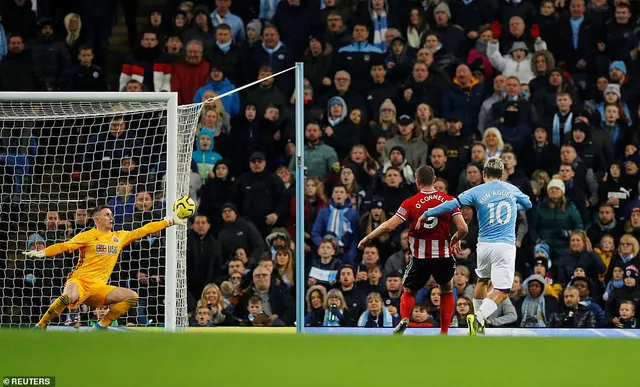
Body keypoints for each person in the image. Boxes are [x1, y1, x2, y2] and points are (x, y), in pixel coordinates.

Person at [417, 157, 532, 335]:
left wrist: (427, 213)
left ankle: (480, 328)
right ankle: (478, 317)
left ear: (484, 174)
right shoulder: (511, 188)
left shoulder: (476, 190)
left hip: (484, 245)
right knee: (502, 290)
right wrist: (512, 203)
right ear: (501, 175)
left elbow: (451, 204)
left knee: (483, 280)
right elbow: (528, 204)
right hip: (504, 246)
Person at [22, 204, 186, 329]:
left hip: (99, 288)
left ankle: (101, 326)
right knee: (67, 298)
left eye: (112, 215)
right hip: (79, 281)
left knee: (132, 297)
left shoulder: (119, 237)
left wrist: (170, 221)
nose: (111, 217)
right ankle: (40, 326)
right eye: (107, 215)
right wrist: (45, 252)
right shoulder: (87, 236)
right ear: (97, 219)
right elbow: (64, 246)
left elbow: (143, 230)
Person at [358, 165, 469, 335]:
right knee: (446, 290)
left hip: (420, 257)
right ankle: (444, 332)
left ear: (417, 182)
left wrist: (367, 238)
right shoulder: (449, 201)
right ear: (434, 180)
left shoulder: (409, 203)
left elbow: (389, 226)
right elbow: (463, 228)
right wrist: (455, 240)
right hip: (443, 256)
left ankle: (404, 318)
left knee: (409, 291)